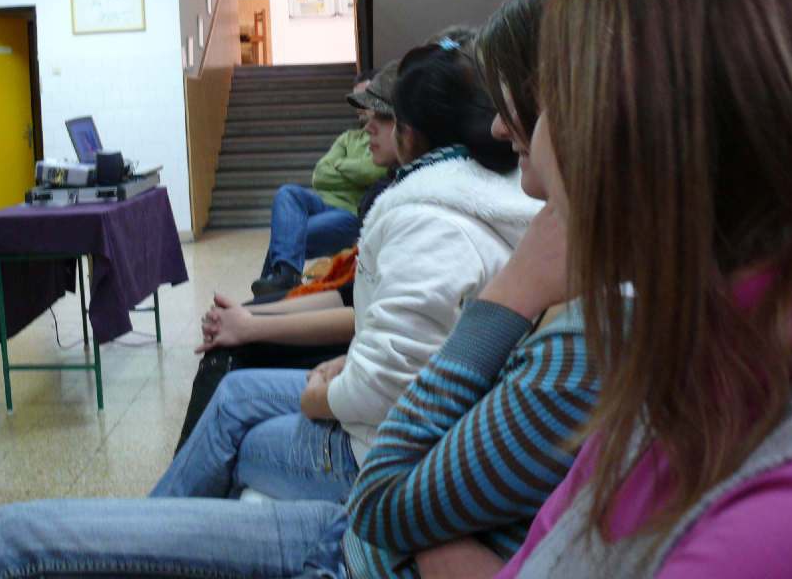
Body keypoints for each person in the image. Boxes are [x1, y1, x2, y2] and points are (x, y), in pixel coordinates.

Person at [0, 0, 587, 579]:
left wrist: (328, 388)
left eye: (522, 109)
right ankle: (150, 529)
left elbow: (389, 489)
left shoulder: (493, 270)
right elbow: (393, 343)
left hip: (357, 522)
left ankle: (144, 537)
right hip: (377, 479)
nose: (502, 130)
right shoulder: (525, 253)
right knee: (245, 355)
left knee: (5, 538)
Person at [490, 0, 792, 578]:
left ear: (645, 140)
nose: (518, 132)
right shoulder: (699, 360)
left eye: (555, 96)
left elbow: (393, 503)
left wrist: (502, 300)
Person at [153, 39, 536, 505]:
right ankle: (159, 521)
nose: (370, 125)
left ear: (411, 131)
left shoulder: (429, 221)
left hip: (381, 455)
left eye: (386, 116)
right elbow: (382, 324)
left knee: (240, 433)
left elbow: (382, 370)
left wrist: (318, 394)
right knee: (235, 388)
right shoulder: (448, 199)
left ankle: (158, 527)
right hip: (392, 412)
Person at [342, 0, 601, 577]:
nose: (499, 128)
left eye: (517, 104)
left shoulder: (584, 338)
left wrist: (507, 297)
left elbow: (378, 501)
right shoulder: (570, 273)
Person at [173, 69, 401, 452]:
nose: (366, 124)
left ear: (412, 123)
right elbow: (320, 173)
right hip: (329, 206)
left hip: (344, 215)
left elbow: (360, 311)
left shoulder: (399, 204)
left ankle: (280, 276)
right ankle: (283, 275)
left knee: (290, 236)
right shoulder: (366, 157)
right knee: (287, 198)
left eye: (381, 114)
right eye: (367, 112)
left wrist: (253, 324)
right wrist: (252, 316)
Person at [251, 69, 389, 297]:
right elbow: (319, 174)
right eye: (356, 99)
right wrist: (351, 172)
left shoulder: (384, 138)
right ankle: (282, 281)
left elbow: (372, 172)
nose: (360, 105)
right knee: (287, 193)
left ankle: (273, 291)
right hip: (323, 205)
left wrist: (340, 165)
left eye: (364, 98)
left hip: (350, 212)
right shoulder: (348, 138)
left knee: (288, 236)